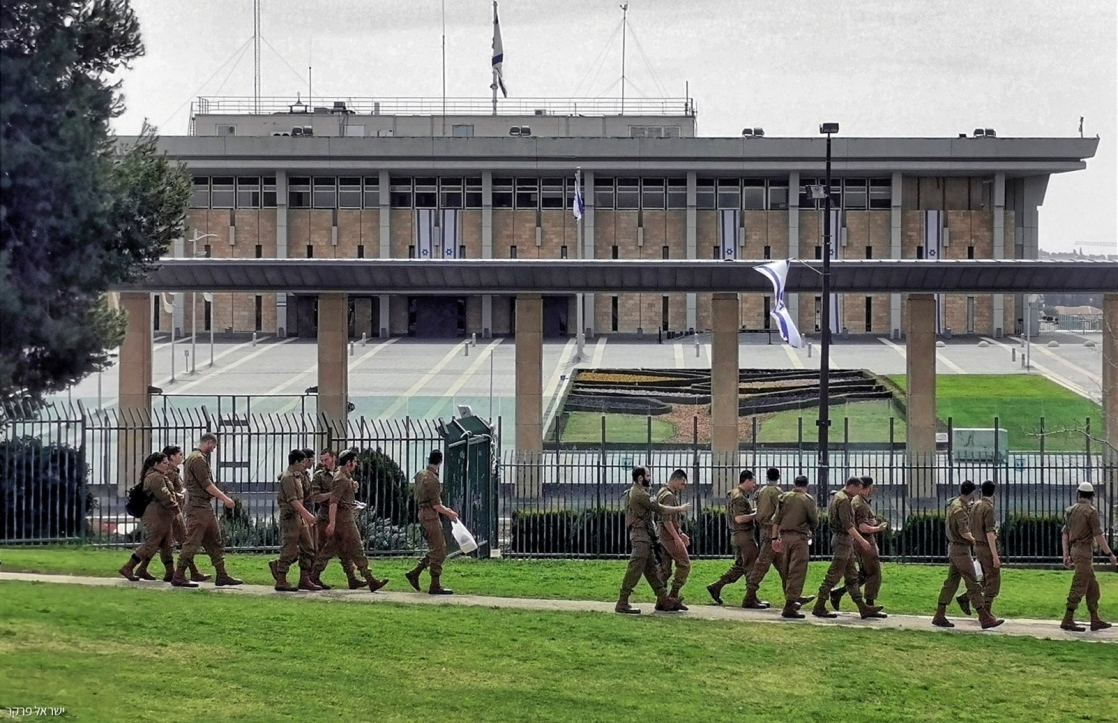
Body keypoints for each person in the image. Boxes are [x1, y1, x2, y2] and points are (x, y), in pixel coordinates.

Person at [616, 466, 690, 615]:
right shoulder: (639, 493)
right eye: (648, 476)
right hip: (640, 536)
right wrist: (679, 509)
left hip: (645, 535)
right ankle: (622, 601)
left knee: (652, 571)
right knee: (635, 568)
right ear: (640, 478)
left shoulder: (638, 492)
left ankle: (664, 599)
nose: (650, 478)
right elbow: (659, 508)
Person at [174, 433, 242, 588]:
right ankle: (179, 575)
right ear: (209, 442)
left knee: (214, 540)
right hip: (198, 507)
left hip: (204, 506)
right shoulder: (197, 459)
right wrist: (225, 499)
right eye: (214, 445)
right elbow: (207, 485)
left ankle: (222, 575)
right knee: (192, 541)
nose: (214, 448)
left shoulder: (196, 458)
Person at [933, 481, 1003, 629]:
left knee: (951, 583)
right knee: (973, 582)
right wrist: (977, 540)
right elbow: (964, 532)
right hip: (960, 550)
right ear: (971, 492)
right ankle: (984, 617)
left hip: (956, 549)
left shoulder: (958, 504)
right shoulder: (959, 509)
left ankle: (939, 614)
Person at [134, 445, 209, 583]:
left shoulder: (172, 471)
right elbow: (165, 493)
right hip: (170, 512)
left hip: (170, 512)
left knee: (164, 543)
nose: (182, 456)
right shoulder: (166, 473)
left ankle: (151, 570)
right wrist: (179, 498)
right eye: (180, 454)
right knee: (183, 541)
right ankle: (192, 572)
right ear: (172, 457)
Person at [811, 478, 884, 620]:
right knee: (833, 576)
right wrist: (862, 540)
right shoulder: (844, 500)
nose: (858, 493)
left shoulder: (839, 497)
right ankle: (819, 605)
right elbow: (848, 525)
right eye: (858, 489)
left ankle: (863, 607)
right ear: (851, 486)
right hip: (842, 541)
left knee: (852, 577)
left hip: (844, 541)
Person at [326, 449, 388, 593]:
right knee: (357, 548)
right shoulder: (341, 478)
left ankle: (314, 574)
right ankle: (371, 580)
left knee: (330, 549)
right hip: (345, 521)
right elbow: (333, 502)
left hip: (344, 517)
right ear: (349, 463)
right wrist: (332, 523)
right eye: (354, 462)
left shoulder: (343, 477)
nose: (356, 465)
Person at [1060, 482, 1117, 632]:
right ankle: (1068, 618)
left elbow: (1065, 534)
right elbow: (1098, 536)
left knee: (1092, 586)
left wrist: (1066, 554)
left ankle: (1095, 618)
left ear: (1078, 493)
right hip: (1084, 551)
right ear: (1092, 496)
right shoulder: (1091, 512)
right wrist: (1110, 554)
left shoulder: (1071, 510)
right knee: (1079, 584)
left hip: (1074, 550)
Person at [119, 453, 181, 583]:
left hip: (164, 515)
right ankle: (128, 567)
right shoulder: (155, 477)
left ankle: (170, 572)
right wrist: (177, 509)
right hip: (156, 515)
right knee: (151, 543)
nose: (167, 464)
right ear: (155, 464)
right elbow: (165, 496)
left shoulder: (159, 476)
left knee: (167, 544)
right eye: (164, 463)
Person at [831, 475, 888, 612]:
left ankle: (839, 592)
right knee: (874, 573)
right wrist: (878, 528)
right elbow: (862, 527)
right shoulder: (860, 503)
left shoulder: (858, 501)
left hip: (861, 540)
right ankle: (870, 603)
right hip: (864, 541)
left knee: (863, 573)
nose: (872, 491)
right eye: (871, 488)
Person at [406, 450, 458, 595]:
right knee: (440, 551)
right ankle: (434, 584)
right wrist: (450, 513)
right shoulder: (433, 480)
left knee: (436, 549)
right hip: (430, 515)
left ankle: (415, 572)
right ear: (440, 462)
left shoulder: (420, 474)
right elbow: (436, 505)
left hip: (421, 513)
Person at [308, 449, 362, 590]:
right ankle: (313, 577)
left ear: (333, 458)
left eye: (326, 459)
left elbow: (345, 493)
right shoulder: (319, 476)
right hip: (326, 517)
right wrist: (334, 494)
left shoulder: (342, 473)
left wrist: (352, 487)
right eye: (322, 460)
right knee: (325, 549)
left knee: (343, 549)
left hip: (342, 516)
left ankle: (352, 578)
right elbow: (315, 497)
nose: (323, 463)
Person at [707, 470, 760, 608]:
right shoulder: (739, 498)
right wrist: (756, 514)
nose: (754, 485)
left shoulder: (735, 494)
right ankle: (751, 599)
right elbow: (739, 518)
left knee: (741, 566)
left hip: (738, 535)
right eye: (753, 482)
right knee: (751, 566)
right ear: (746, 480)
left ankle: (716, 586)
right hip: (744, 535)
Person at [269, 450, 320, 592]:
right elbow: (293, 501)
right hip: (290, 517)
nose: (305, 465)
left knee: (308, 547)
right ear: (296, 462)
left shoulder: (298, 476)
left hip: (299, 516)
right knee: (289, 549)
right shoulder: (288, 478)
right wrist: (308, 515)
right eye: (303, 462)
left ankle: (304, 579)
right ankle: (281, 579)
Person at [771, 475, 818, 619]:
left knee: (785, 569)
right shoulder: (807, 499)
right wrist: (810, 530)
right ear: (806, 485)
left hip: (784, 537)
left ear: (795, 484)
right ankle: (790, 604)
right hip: (799, 538)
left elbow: (776, 519)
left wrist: (774, 538)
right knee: (797, 570)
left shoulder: (784, 497)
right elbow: (814, 520)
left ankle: (790, 599)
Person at [744, 467, 788, 609]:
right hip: (772, 531)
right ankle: (749, 596)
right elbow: (780, 513)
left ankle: (792, 597)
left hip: (763, 529)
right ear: (778, 477)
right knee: (762, 565)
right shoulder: (777, 492)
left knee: (784, 566)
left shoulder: (761, 491)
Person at [656, 469, 692, 607]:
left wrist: (680, 533)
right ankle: (673, 596)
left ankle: (662, 600)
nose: (683, 486)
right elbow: (666, 520)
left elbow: (670, 519)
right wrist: (677, 537)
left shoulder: (662, 492)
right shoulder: (669, 496)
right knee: (684, 564)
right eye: (682, 483)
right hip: (668, 536)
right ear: (676, 480)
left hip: (663, 536)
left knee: (665, 569)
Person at [971, 480, 1001, 616]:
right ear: (993, 492)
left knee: (984, 579)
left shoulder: (975, 506)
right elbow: (989, 532)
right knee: (993, 579)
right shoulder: (988, 508)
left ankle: (966, 597)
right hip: (986, 547)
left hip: (977, 545)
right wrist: (995, 556)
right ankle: (986, 610)